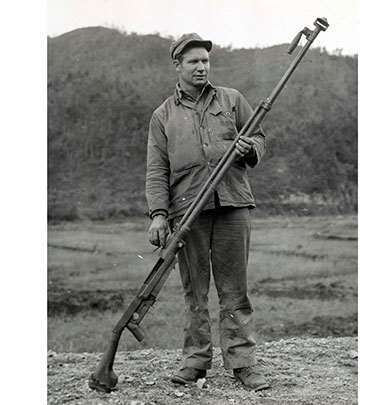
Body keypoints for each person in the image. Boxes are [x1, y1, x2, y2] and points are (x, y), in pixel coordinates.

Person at [145, 33, 268, 391]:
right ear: (178, 66)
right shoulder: (162, 116)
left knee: (235, 291)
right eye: (193, 62)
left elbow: (260, 138)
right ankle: (195, 362)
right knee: (194, 292)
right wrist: (157, 213)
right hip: (187, 214)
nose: (201, 67)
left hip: (232, 205)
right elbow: (157, 171)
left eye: (205, 61)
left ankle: (243, 363)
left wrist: (249, 148)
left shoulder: (231, 100)